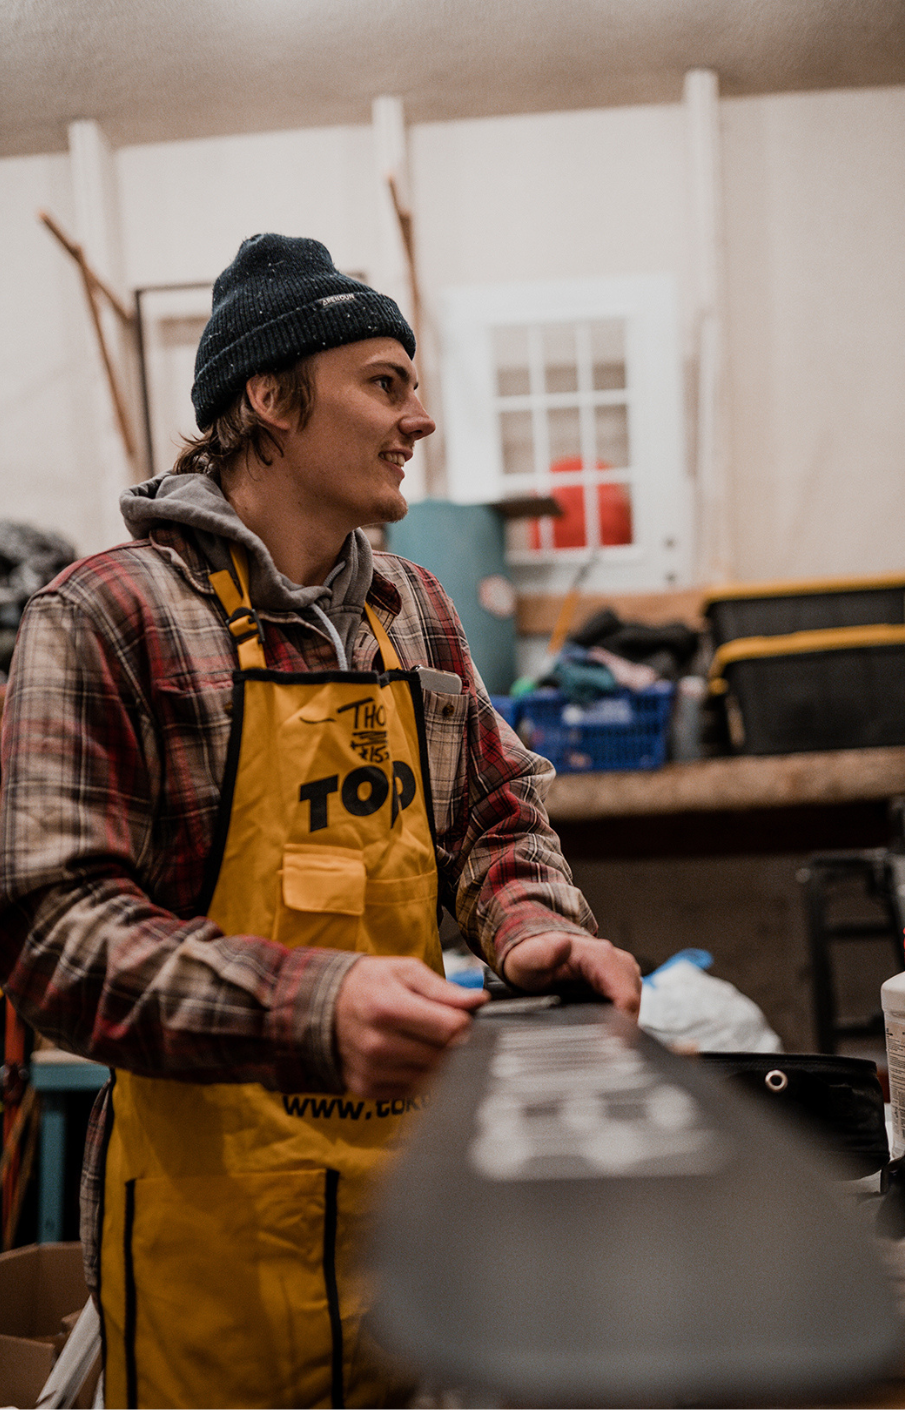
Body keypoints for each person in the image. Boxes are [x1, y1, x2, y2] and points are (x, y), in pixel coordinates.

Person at [0, 233, 641, 1409]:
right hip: (211, 1237)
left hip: (412, 1211)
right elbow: (53, 936)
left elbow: (495, 813)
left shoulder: (415, 611)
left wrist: (535, 929)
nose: (419, 418)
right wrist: (313, 1006)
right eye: (385, 383)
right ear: (270, 399)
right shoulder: (105, 616)